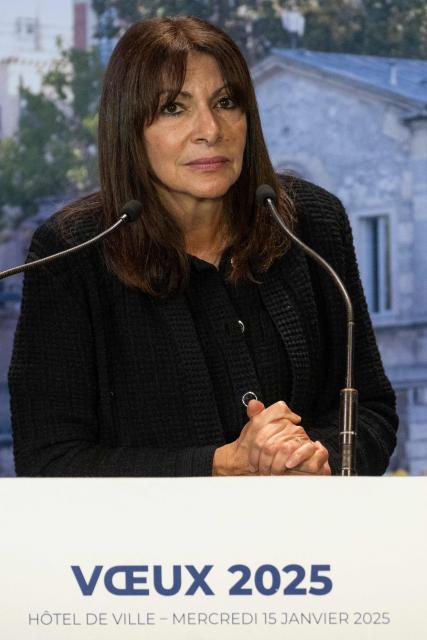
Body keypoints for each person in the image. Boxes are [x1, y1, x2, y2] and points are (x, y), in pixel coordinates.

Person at [8, 16, 398, 477]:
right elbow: (48, 461)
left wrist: (314, 456)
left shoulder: (311, 223)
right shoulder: (71, 253)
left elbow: (372, 410)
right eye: (175, 108)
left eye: (226, 102)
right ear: (129, 128)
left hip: (309, 543)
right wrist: (221, 464)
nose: (210, 129)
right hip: (143, 549)